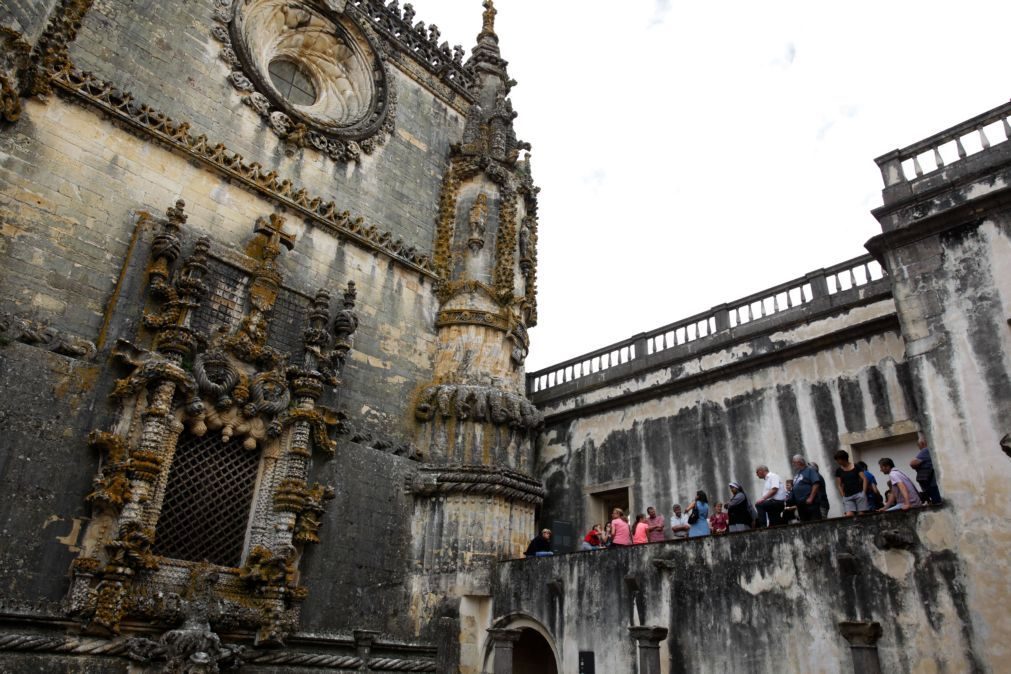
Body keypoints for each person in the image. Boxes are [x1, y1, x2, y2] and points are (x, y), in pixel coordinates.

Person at [833, 449, 869, 515]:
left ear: (843, 459)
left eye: (838, 459)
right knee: (849, 515)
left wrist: (863, 492)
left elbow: (864, 479)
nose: (837, 461)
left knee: (862, 514)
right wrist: (843, 496)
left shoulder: (856, 466)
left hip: (859, 494)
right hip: (847, 496)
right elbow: (839, 485)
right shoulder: (839, 470)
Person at [910, 435, 942, 504]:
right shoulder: (931, 450)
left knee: (936, 503)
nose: (919, 448)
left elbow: (913, 463)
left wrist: (916, 467)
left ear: (922, 443)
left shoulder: (925, 450)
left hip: (931, 483)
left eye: (918, 445)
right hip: (933, 482)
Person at [790, 455, 823, 521]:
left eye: (794, 462)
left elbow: (816, 484)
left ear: (799, 462)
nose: (793, 464)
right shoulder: (798, 473)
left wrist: (811, 498)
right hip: (801, 505)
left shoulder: (809, 470)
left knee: (815, 523)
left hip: (810, 503)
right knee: (804, 525)